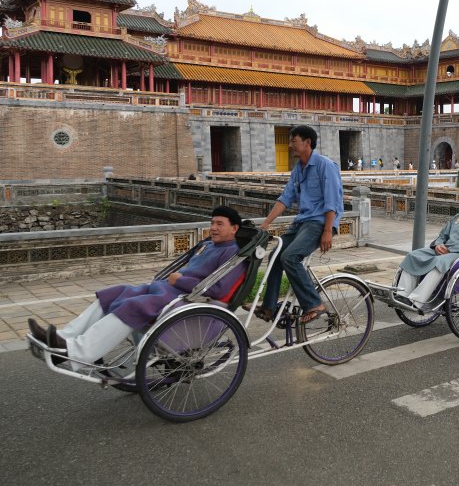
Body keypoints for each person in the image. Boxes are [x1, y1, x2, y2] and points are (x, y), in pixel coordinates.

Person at [28, 206, 246, 370]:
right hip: (167, 290)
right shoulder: (208, 245)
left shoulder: (234, 254)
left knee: (132, 305)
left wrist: (179, 281)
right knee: (115, 292)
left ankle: (79, 352)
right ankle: (64, 337)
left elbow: (218, 290)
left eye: (220, 224)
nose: (214, 228)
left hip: (188, 300)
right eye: (212, 223)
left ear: (234, 228)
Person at [253, 125, 343, 324]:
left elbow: (332, 201)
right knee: (275, 255)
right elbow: (285, 198)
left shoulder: (324, 165)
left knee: (290, 257)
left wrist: (328, 230)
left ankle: (314, 304)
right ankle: (269, 307)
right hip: (302, 222)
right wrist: (265, 224)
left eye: (294, 141)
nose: (289, 145)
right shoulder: (297, 170)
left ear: (307, 143)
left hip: (319, 222)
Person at [394, 183, 459, 308]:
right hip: (444, 250)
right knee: (413, 256)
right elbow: (442, 235)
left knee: (439, 262)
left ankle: (416, 300)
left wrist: (449, 249)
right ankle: (402, 294)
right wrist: (438, 245)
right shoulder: (457, 217)